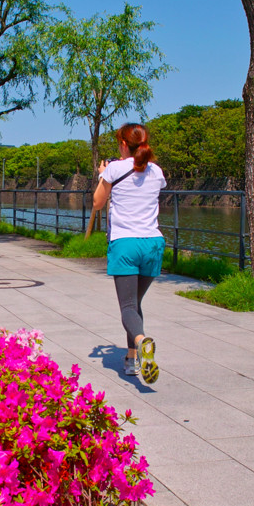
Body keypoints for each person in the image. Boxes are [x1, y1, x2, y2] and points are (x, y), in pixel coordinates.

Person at [92, 123, 166, 383]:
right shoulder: (156, 171)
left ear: (124, 144)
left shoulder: (115, 168)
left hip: (126, 244)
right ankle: (132, 360)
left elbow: (97, 203)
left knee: (127, 306)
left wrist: (103, 175)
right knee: (135, 304)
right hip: (153, 244)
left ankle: (142, 341)